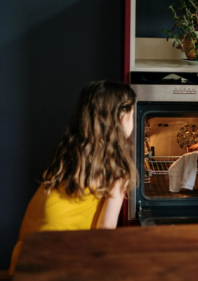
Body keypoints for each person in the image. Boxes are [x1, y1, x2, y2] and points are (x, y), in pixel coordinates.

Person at [8, 80, 138, 275]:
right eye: (133, 115)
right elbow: (105, 230)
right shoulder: (118, 170)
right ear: (121, 119)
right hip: (65, 261)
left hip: (27, 256)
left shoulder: (69, 152)